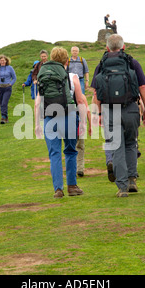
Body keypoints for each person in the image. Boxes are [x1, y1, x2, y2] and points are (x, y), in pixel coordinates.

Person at [91, 34, 145, 197]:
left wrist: (100, 112)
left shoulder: (102, 64)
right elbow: (143, 87)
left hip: (110, 110)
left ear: (107, 47)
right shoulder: (132, 62)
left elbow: (96, 93)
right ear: (123, 46)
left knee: (116, 147)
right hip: (131, 108)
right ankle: (132, 180)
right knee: (131, 144)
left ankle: (122, 187)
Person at [34, 47, 88, 198]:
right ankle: (72, 186)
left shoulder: (45, 75)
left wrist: (38, 123)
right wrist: (83, 122)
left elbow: (38, 102)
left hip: (49, 116)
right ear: (66, 60)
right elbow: (80, 100)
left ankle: (58, 189)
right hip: (69, 114)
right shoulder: (73, 77)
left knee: (54, 154)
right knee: (70, 151)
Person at [0, 54, 17, 124]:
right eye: (1, 60)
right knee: (1, 104)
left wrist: (11, 84)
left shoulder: (10, 68)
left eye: (3, 60)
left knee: (4, 103)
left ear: (6, 61)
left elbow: (14, 78)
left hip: (7, 88)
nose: (2, 62)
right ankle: (6, 117)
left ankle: (3, 118)